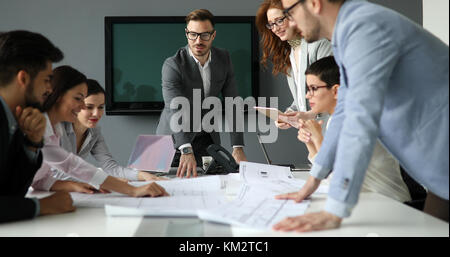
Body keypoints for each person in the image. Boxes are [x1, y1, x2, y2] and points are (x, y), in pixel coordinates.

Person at [274, 0, 449, 232]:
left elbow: (359, 120)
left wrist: (335, 210)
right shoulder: (347, 36)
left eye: (290, 12)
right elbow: (345, 110)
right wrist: (313, 181)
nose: (291, 23)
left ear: (314, 3)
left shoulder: (365, 28)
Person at [31, 65, 169, 198]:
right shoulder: (39, 127)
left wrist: (73, 185)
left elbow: (40, 180)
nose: (94, 112)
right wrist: (131, 190)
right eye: (79, 100)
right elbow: (70, 166)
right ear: (58, 95)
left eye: (101, 107)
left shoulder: (58, 131)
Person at [296, 56, 411, 203]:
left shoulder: (355, 120)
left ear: (336, 91)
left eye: (313, 89)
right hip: (366, 200)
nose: (307, 95)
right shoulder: (335, 119)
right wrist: (310, 142)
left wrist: (318, 138)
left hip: (390, 204)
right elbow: (323, 172)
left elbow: (335, 179)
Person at [156, 9, 247, 178]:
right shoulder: (173, 65)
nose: (198, 41)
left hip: (206, 139)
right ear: (186, 34)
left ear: (213, 35)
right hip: (174, 141)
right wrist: (186, 149)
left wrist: (238, 147)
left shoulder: (224, 59)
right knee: (171, 189)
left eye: (204, 35)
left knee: (212, 185)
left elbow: (233, 103)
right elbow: (175, 109)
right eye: (193, 34)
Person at [0, 30, 75, 223]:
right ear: (23, 79)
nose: (50, 89)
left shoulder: (14, 119)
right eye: (47, 79)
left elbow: (12, 193)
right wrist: (42, 206)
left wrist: (32, 143)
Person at [255, 0, 332, 128]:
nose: (275, 28)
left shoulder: (319, 45)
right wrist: (288, 115)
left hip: (330, 127)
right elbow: (301, 100)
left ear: (292, 16)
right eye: (271, 24)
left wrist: (308, 115)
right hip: (311, 132)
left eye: (279, 20)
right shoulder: (291, 54)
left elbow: (331, 93)